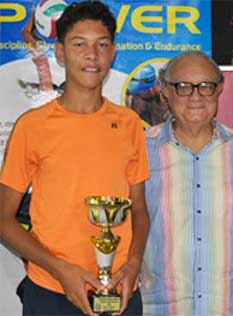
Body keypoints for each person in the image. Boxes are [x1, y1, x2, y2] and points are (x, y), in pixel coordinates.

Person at [0, 2, 150, 315]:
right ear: (59, 53)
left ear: (113, 53)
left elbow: (138, 208)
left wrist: (134, 263)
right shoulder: (32, 126)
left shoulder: (129, 123)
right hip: (51, 288)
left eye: (102, 45)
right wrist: (59, 269)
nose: (92, 55)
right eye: (79, 44)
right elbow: (4, 220)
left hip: (119, 288)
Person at [140, 51, 233, 315]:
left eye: (206, 86)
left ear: (219, 90)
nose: (195, 96)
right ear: (165, 92)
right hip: (159, 310)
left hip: (226, 309)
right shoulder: (141, 149)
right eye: (183, 86)